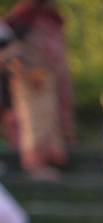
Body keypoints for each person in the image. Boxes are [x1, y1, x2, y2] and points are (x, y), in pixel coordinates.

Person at [0, 0, 67, 178]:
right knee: (33, 123)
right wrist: (21, 69)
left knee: (47, 121)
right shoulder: (23, 16)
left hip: (44, 79)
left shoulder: (50, 16)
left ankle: (48, 161)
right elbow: (10, 49)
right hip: (27, 80)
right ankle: (35, 166)